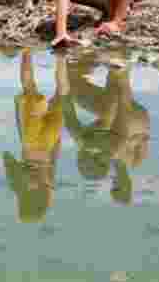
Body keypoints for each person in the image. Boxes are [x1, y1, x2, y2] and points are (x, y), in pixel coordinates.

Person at [63, 53, 150, 205]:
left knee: (112, 101)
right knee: (79, 90)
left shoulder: (127, 158)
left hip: (139, 120)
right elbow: (66, 103)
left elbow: (140, 140)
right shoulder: (90, 142)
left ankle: (115, 66)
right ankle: (111, 63)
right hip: (127, 117)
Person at [3, 50, 68, 223]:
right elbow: (8, 159)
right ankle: (26, 51)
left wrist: (58, 138)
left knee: (60, 95)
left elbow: (54, 160)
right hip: (31, 142)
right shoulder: (20, 187)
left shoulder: (48, 189)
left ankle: (62, 58)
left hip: (48, 145)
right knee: (29, 88)